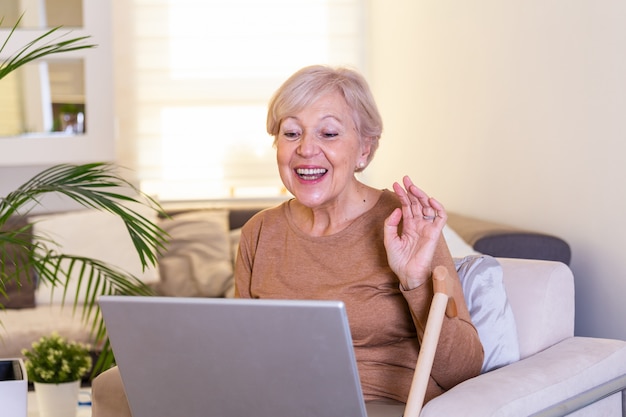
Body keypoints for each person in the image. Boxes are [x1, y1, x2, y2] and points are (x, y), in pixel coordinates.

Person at [234, 65, 483, 404]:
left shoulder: (404, 222)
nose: (306, 149)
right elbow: (243, 353)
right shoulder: (260, 232)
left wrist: (415, 282)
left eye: (329, 134)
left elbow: (463, 371)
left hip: (383, 406)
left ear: (364, 150)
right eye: (292, 133)